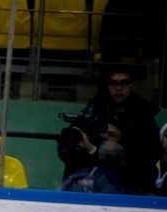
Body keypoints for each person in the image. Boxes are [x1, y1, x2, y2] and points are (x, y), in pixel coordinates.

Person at [57, 65, 161, 195]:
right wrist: (90, 150)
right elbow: (67, 149)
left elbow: (149, 157)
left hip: (130, 187)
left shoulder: (144, 116)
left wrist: (120, 149)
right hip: (87, 180)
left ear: (132, 86)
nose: (118, 88)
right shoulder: (94, 109)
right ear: (108, 86)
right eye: (114, 83)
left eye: (124, 83)